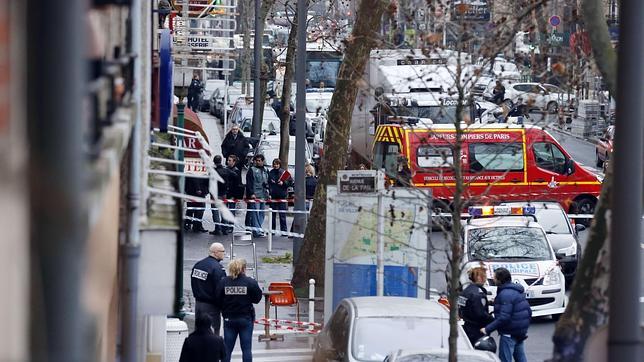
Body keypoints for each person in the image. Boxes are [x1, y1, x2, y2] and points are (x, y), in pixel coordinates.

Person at [216, 259, 262, 362]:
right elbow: (257, 299)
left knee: (227, 348)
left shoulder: (224, 282)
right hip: (245, 318)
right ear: (244, 269)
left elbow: (218, 298)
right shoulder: (250, 282)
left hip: (229, 318)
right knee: (246, 349)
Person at [482, 267, 531, 362]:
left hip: (509, 333)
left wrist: (487, 329)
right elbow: (528, 311)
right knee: (521, 358)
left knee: (505, 359)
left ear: (500, 280)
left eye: (495, 278)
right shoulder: (516, 291)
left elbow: (504, 317)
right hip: (520, 332)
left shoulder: (505, 294)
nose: (493, 279)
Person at [191, 243, 227, 335]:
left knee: (199, 332)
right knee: (212, 333)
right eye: (223, 251)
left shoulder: (198, 265)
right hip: (211, 307)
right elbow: (221, 289)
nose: (224, 253)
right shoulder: (217, 268)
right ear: (216, 252)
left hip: (198, 304)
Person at [458, 267, 494, 345]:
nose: (485, 279)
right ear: (479, 278)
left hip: (467, 326)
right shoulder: (478, 294)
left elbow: (460, 308)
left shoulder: (465, 291)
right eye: (484, 276)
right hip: (477, 329)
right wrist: (492, 320)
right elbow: (480, 313)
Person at [245, 154, 269, 238]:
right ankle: (256, 230)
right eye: (256, 161)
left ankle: (258, 228)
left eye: (259, 160)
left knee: (262, 213)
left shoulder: (266, 170)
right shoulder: (252, 170)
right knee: (255, 213)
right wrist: (251, 193)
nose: (258, 162)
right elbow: (249, 183)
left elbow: (267, 181)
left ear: (263, 161)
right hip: (255, 194)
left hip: (263, 194)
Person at [267, 158, 293, 233]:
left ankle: (284, 231)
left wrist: (283, 183)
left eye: (277, 164)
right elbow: (268, 182)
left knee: (282, 215)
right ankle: (272, 230)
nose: (275, 165)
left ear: (279, 164)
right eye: (274, 164)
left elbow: (290, 182)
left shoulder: (284, 173)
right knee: (273, 215)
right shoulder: (271, 172)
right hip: (273, 195)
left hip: (282, 195)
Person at [212, 155, 233, 236]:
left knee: (215, 212)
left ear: (214, 161)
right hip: (223, 193)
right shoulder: (226, 170)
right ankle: (225, 229)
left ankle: (218, 229)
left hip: (215, 194)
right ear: (221, 161)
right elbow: (235, 175)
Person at [224, 154, 244, 233]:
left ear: (234, 162)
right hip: (226, 192)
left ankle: (230, 226)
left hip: (232, 193)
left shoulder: (236, 171)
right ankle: (225, 225)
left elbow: (237, 184)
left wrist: (234, 195)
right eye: (228, 160)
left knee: (231, 210)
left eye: (230, 160)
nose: (228, 162)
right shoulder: (226, 169)